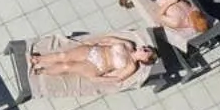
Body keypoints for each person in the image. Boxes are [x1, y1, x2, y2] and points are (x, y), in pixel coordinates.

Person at [29, 34, 158, 83]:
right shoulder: (129, 44)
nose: (144, 48)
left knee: (67, 66)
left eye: (146, 51)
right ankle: (38, 60)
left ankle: (42, 71)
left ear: (145, 60)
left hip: (98, 67)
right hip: (95, 51)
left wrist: (98, 79)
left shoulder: (132, 66)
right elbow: (107, 40)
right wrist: (92, 42)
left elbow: (119, 78)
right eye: (146, 47)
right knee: (64, 56)